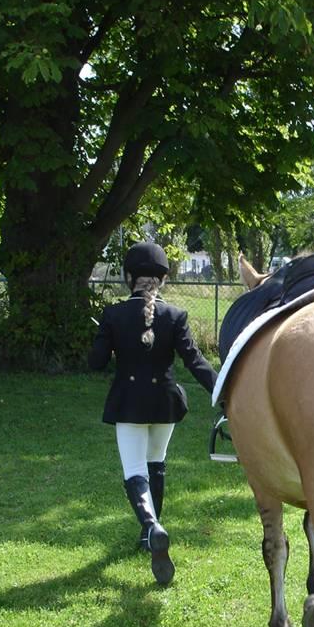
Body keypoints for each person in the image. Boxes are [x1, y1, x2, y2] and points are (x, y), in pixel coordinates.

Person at [88, 242, 217, 585]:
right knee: (155, 463)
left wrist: (101, 336)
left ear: (129, 277)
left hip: (128, 402)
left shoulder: (113, 315)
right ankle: (150, 534)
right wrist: (224, 389)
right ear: (162, 279)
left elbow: (95, 362)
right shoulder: (175, 316)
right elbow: (195, 362)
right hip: (164, 402)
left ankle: (151, 526)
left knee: (134, 471)